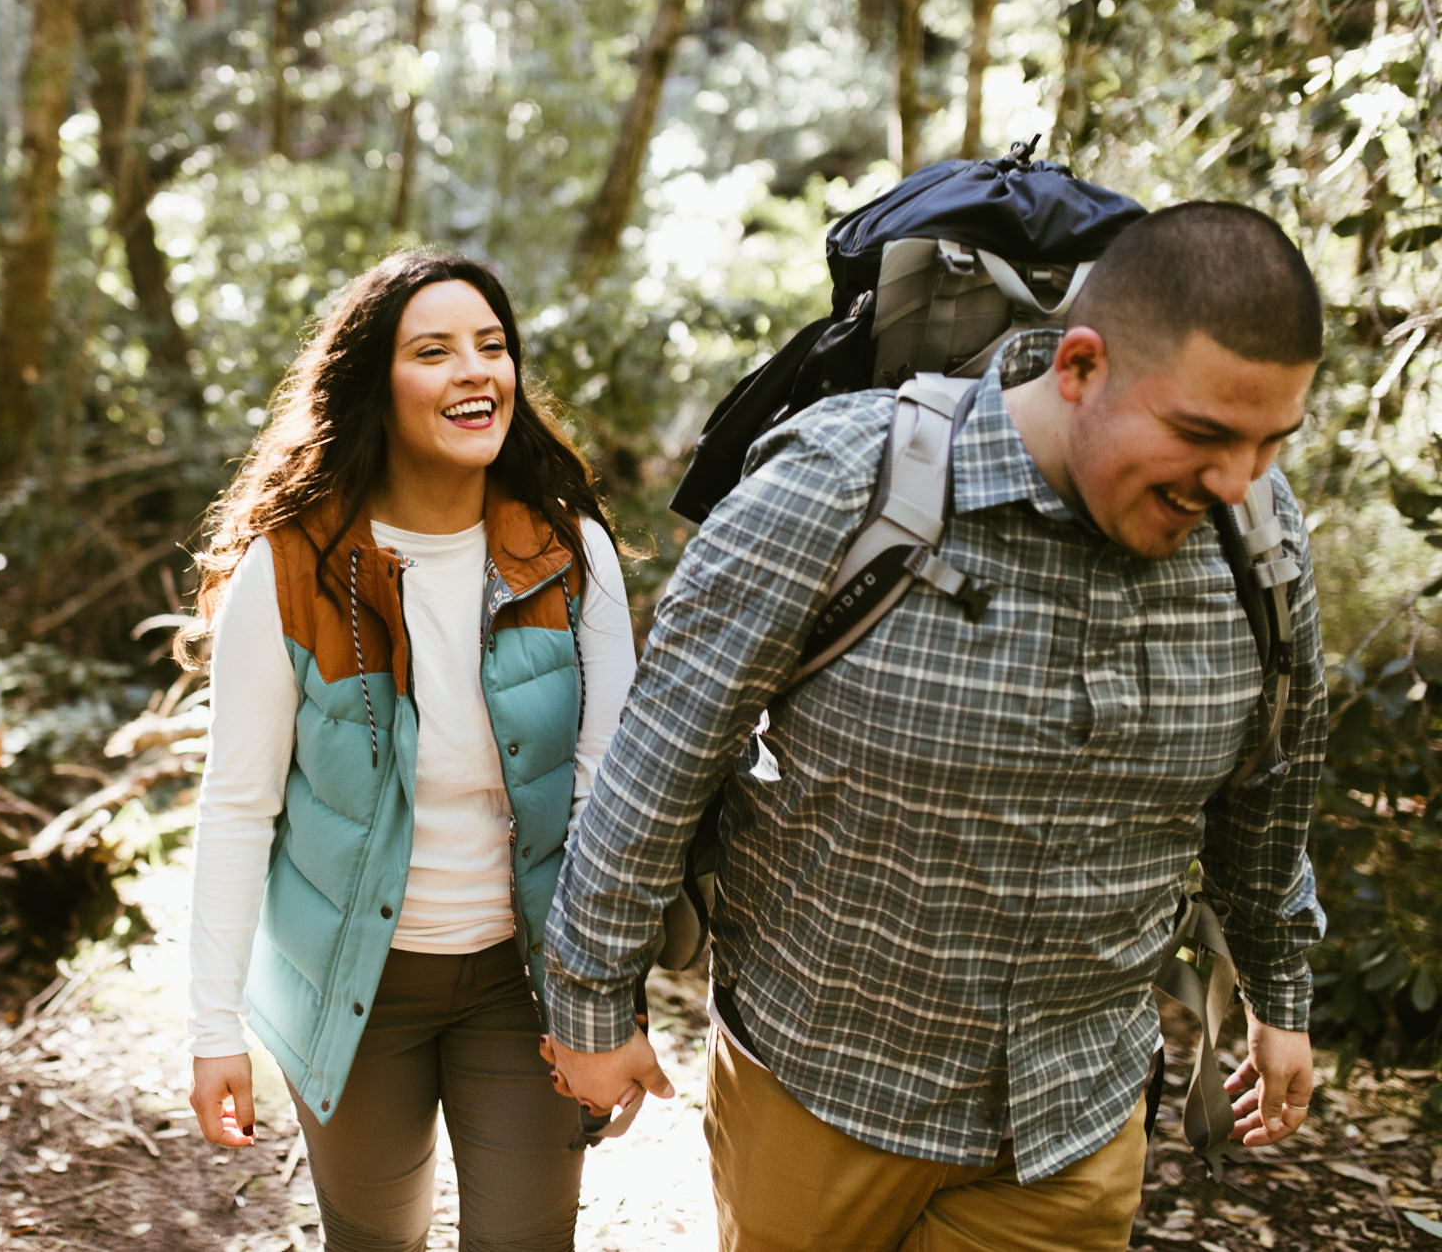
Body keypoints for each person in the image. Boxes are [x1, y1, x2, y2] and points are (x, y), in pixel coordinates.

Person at [539, 202, 1329, 1251]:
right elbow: (664, 754)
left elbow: (1268, 796)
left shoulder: (1256, 544)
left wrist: (1280, 994)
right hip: (819, 1092)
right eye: (1201, 435)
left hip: (1070, 1124)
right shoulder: (842, 482)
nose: (1236, 480)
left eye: (1269, 442)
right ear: (1080, 367)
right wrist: (592, 1005)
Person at [182, 250, 636, 1252]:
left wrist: (606, 1000)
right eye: (433, 350)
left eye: (492, 345)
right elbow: (237, 805)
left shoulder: (568, 551)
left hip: (526, 982)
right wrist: (212, 1027)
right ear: (373, 387)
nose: (476, 370)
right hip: (351, 986)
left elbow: (615, 790)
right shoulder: (290, 568)